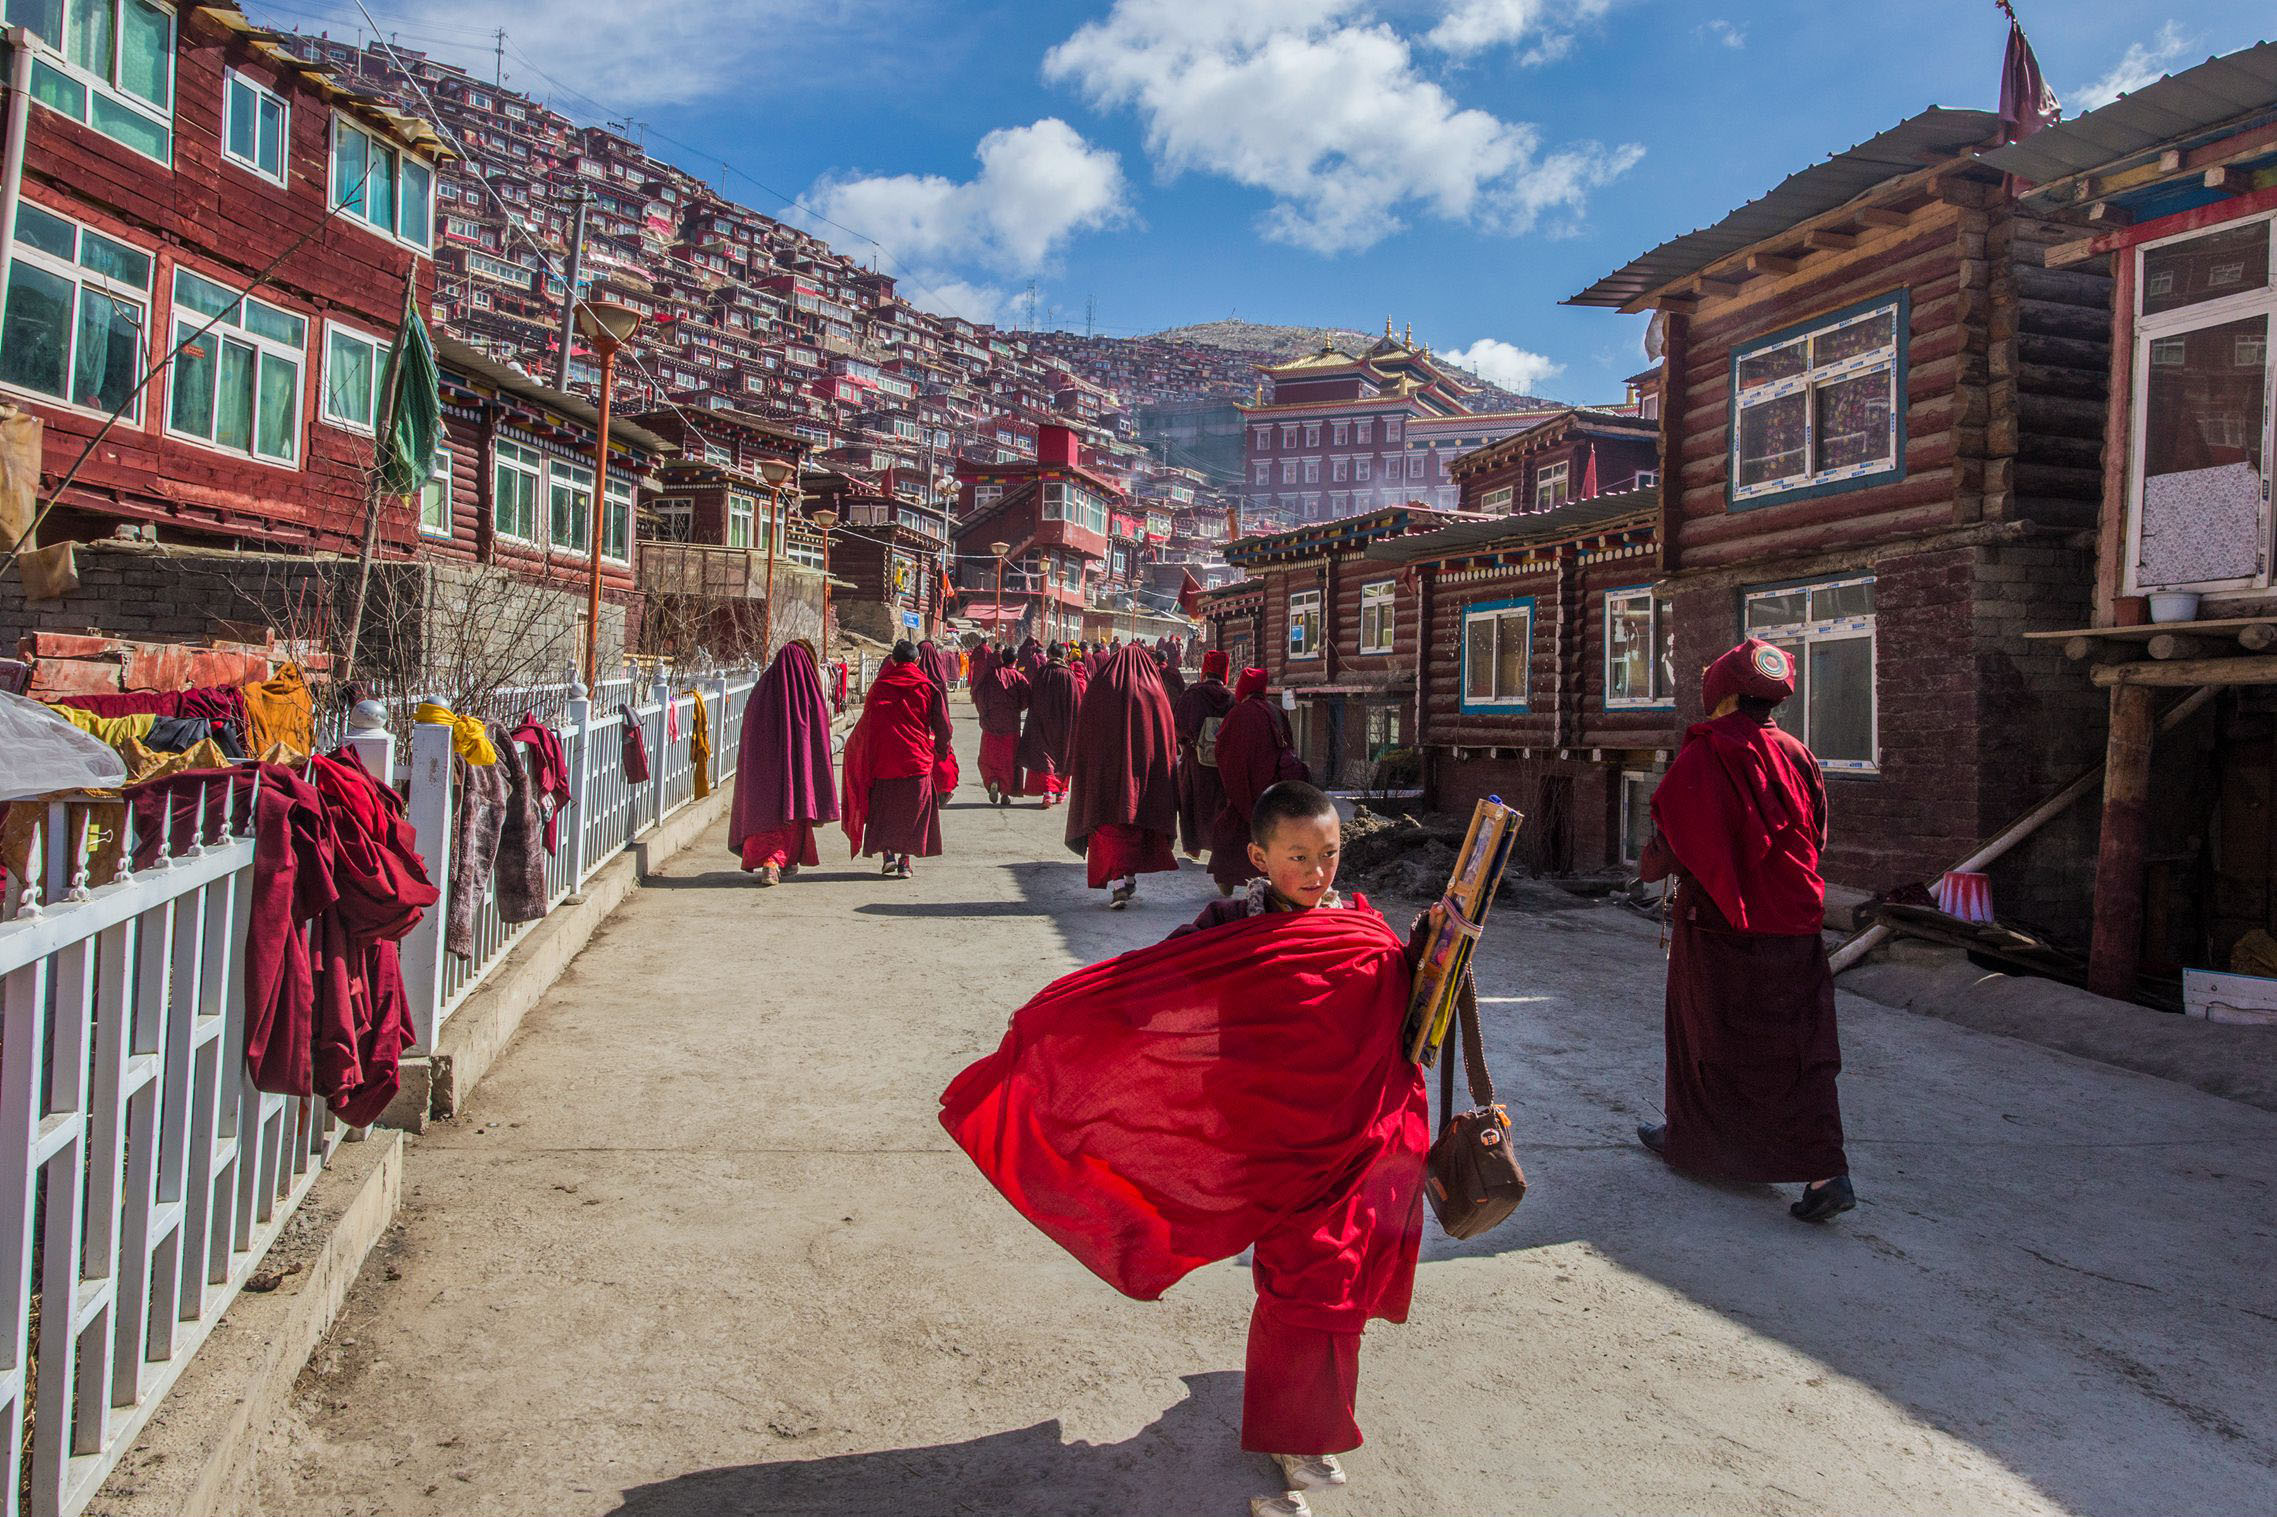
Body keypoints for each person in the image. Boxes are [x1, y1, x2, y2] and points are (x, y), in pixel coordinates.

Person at [941, 781, 1427, 1517]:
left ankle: (1303, 1431)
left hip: (1350, 1136)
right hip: (1258, 1134)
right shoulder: (1226, 926)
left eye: (1329, 854)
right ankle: (1297, 1426)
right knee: (1297, 1279)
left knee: (1323, 1276)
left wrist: (1435, 959)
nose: (1317, 871)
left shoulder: (1361, 928)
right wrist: (1075, 1025)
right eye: (1297, 856)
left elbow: (1403, 1017)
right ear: (1260, 857)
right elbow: (1157, 989)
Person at [1636, 637, 1853, 1223]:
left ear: (1725, 693)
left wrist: (1649, 864)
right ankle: (1826, 1173)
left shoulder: (1708, 753)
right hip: (1796, 923)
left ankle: (1694, 1138)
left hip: (1719, 926)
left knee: (1706, 1036)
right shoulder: (1798, 753)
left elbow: (1674, 845)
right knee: (1801, 1048)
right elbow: (1818, 835)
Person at [1064, 644, 1180, 909]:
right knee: (1135, 823)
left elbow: (1085, 730)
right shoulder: (1154, 691)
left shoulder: (1102, 687)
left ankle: (1120, 882)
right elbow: (1166, 738)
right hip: (1143, 778)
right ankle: (1126, 878)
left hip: (1105, 775)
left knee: (1110, 825)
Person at [728, 639, 839, 886]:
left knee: (766, 815)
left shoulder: (761, 692)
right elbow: (818, 738)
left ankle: (772, 863)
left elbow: (749, 735)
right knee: (792, 809)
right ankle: (779, 862)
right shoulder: (808, 695)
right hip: (796, 773)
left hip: (764, 773)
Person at [841, 640, 952, 878]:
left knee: (885, 811)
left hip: (884, 762)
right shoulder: (927, 687)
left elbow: (868, 725)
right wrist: (942, 750)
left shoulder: (879, 687)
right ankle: (905, 862)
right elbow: (943, 726)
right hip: (917, 760)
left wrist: (859, 752)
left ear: (892, 661)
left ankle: (888, 855)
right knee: (912, 813)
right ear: (917, 661)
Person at [1207, 668, 1308, 896]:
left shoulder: (1238, 714)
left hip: (1244, 787)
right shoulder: (1276, 712)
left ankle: (1227, 877)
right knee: (1271, 835)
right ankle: (1272, 878)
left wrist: (1232, 786)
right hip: (1272, 789)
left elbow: (1223, 750)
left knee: (1232, 831)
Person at [1175, 650, 1235, 861]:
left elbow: (1179, 725)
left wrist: (1184, 745)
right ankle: (1217, 843)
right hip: (1221, 761)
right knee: (1218, 803)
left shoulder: (1192, 694)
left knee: (1191, 801)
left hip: (1193, 759)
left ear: (1204, 671)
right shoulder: (1230, 698)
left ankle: (1193, 846)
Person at [1019, 644, 1081, 808]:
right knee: (1064, 754)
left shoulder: (1043, 673)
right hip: (1065, 724)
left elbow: (1035, 698)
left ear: (1051, 655)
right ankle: (1062, 792)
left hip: (1044, 722)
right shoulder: (1069, 675)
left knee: (1046, 757)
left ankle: (1048, 793)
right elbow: (1076, 702)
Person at [972, 638, 1031, 807]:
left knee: (989, 757)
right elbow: (1026, 700)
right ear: (1016, 661)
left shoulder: (989, 675)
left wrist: (984, 714)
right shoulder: (1018, 677)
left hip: (990, 725)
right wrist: (1016, 709)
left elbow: (978, 695)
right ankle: (1007, 791)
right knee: (1009, 759)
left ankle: (992, 781)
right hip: (1010, 725)